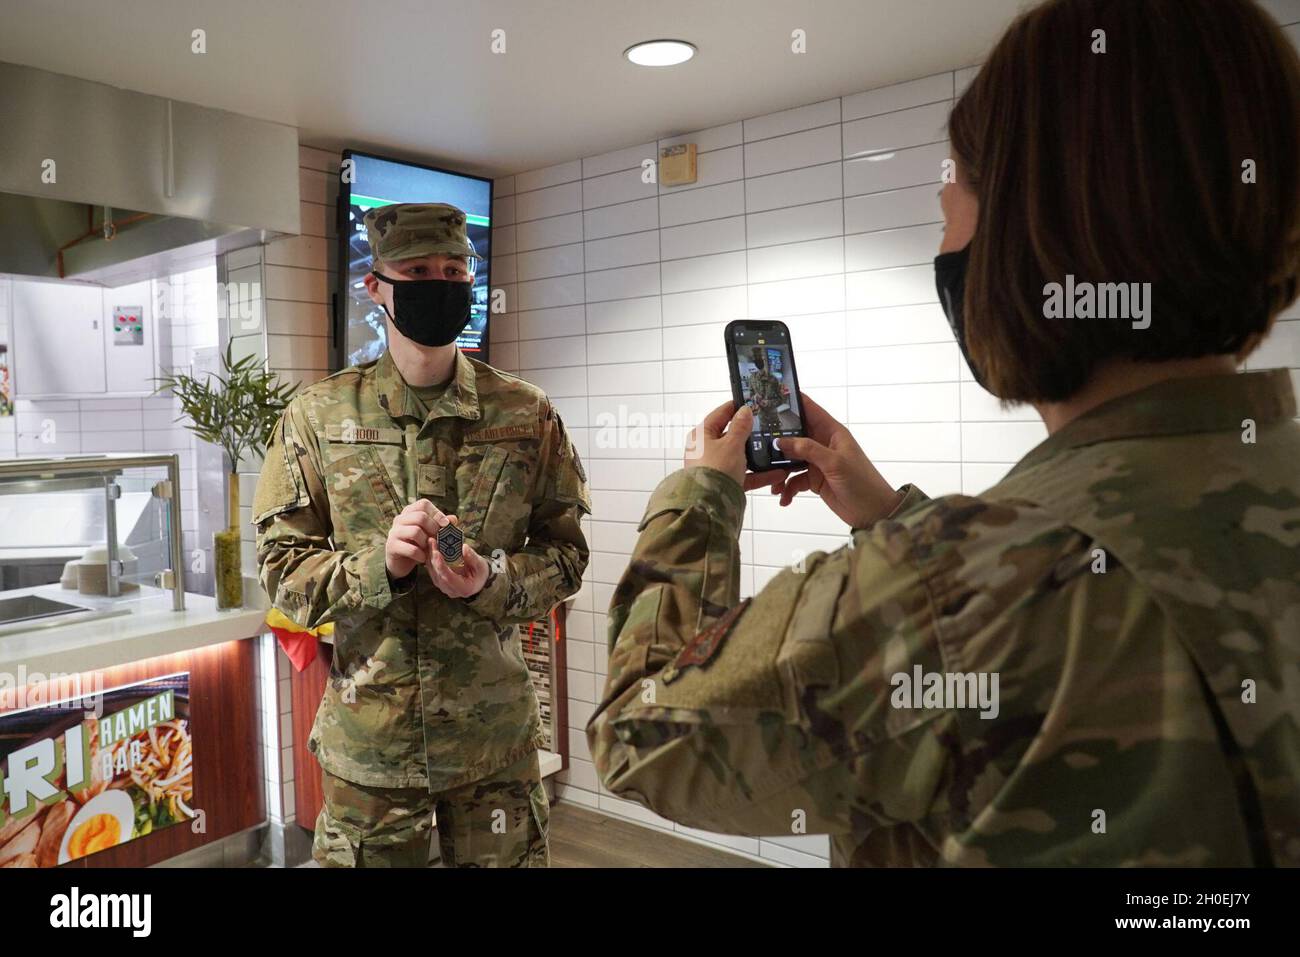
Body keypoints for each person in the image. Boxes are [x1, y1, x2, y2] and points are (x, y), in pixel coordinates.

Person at [587, 0, 1300, 866]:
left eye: (952, 207)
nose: (946, 242)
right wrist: (891, 516)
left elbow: (638, 734)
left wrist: (699, 497)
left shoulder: (958, 581)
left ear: (1036, 230)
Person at [253, 202, 591, 867]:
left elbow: (568, 555)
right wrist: (378, 565)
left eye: (454, 269)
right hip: (372, 752)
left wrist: (493, 580)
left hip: (494, 744)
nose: (439, 282)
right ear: (374, 285)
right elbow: (282, 572)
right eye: (416, 269)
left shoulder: (525, 412)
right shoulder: (316, 418)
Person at [745, 347, 784, 432]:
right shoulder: (752, 378)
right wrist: (754, 397)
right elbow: (750, 396)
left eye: (760, 359)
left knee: (778, 437)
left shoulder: (773, 379)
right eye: (756, 360)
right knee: (764, 438)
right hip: (762, 417)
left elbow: (781, 399)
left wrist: (768, 403)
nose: (758, 362)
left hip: (773, 416)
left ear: (764, 361)